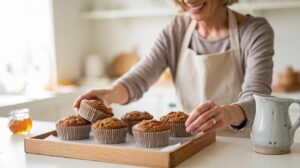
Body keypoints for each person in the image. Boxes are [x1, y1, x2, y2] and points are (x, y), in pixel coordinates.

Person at [73, 0, 274, 137]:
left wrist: (228, 113)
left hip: (237, 147)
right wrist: (109, 94)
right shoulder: (176, 30)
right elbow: (140, 76)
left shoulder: (255, 31)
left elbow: (257, 98)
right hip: (187, 143)